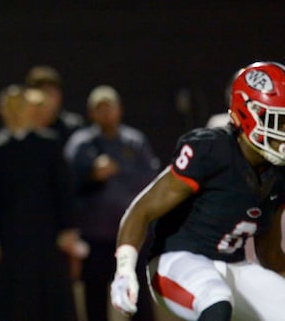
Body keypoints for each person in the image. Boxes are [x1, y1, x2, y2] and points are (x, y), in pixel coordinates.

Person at [110, 61, 285, 321]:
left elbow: (268, 251)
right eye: (280, 121)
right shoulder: (211, 150)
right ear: (251, 113)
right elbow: (142, 210)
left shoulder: (278, 173)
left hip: (233, 265)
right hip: (176, 261)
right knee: (216, 299)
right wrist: (124, 271)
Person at [0, 85, 86, 321]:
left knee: (52, 297)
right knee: (14, 299)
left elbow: (63, 191)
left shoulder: (48, 144)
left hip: (48, 238)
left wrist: (69, 229)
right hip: (11, 240)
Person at [63, 85, 159, 321]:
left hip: (130, 237)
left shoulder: (134, 142)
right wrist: (91, 174)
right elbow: (66, 181)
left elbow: (153, 180)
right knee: (95, 301)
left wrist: (120, 170)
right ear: (91, 113)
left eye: (110, 107)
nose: (106, 113)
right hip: (94, 237)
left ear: (120, 110)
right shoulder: (82, 143)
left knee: (138, 300)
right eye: (99, 108)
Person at [25, 65, 84, 144]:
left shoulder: (73, 127)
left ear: (59, 96)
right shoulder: (20, 128)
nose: (46, 100)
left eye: (50, 94)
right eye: (42, 93)